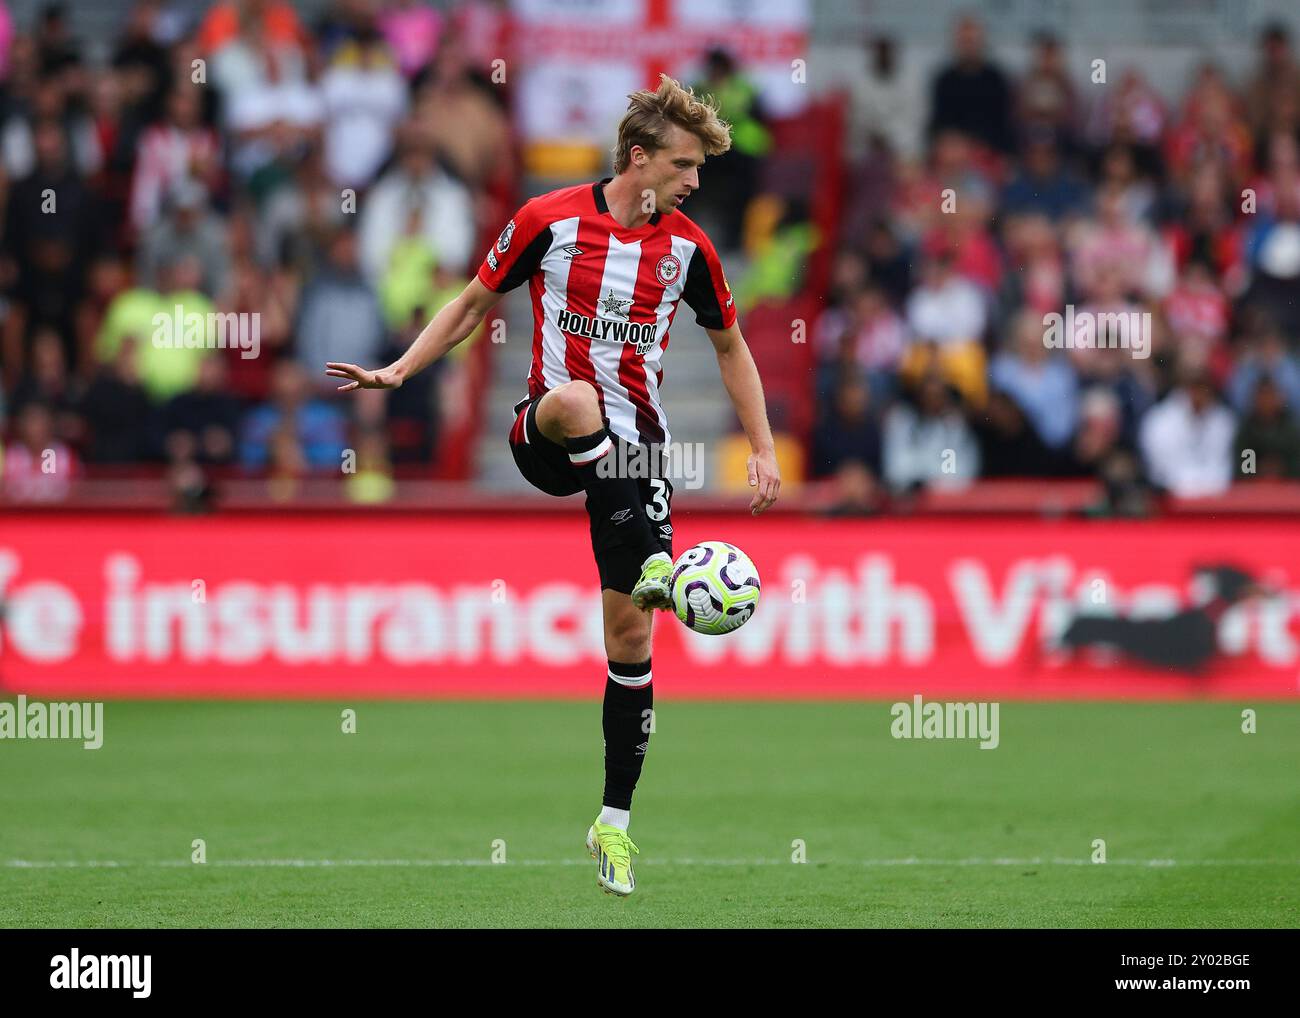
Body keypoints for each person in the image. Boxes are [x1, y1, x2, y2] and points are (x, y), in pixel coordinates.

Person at [324, 75, 781, 898]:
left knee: (631, 641)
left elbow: (730, 349)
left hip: (638, 453)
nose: (695, 182)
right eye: (683, 165)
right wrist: (400, 369)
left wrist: (763, 448)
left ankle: (614, 823)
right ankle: (650, 560)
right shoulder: (547, 219)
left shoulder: (689, 250)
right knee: (577, 400)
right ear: (638, 159)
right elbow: (471, 303)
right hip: (547, 428)